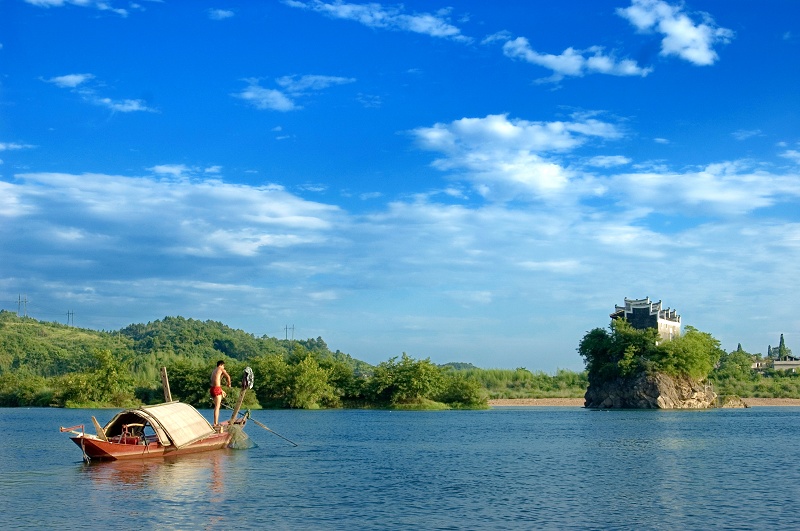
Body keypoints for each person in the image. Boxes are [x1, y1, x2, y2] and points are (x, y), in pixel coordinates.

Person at [210, 360, 232, 426]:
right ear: (222, 364)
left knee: (217, 405)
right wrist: (229, 384)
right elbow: (228, 377)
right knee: (217, 406)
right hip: (216, 389)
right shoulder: (221, 368)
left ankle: (215, 422)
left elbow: (217, 381)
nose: (224, 367)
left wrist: (221, 390)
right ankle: (215, 423)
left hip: (212, 389)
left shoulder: (214, 371)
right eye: (224, 366)